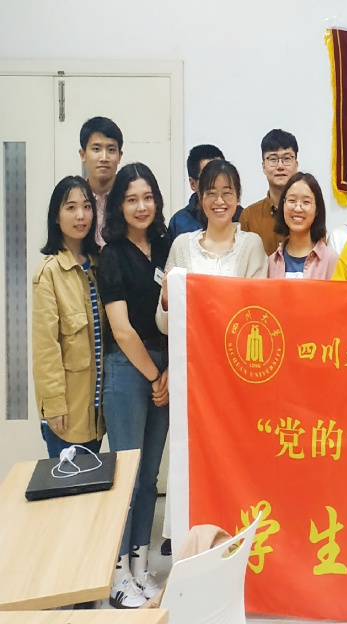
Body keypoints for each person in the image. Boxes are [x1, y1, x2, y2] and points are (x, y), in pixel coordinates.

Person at [98, 164, 171, 608]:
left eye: (147, 197)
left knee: (148, 478)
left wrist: (168, 372)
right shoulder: (112, 254)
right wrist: (154, 376)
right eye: (131, 199)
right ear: (119, 206)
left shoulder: (165, 246)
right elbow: (122, 330)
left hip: (163, 366)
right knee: (125, 476)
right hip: (129, 369)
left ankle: (140, 566)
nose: (141, 206)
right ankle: (116, 574)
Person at [32, 176, 105, 459]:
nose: (80, 216)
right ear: (56, 216)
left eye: (86, 207)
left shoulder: (98, 264)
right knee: (67, 484)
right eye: (71, 207)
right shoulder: (49, 272)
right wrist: (53, 404)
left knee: (97, 482)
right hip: (66, 412)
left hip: (96, 412)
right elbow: (45, 348)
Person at [157, 160, 268, 332]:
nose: (219, 201)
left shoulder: (251, 245)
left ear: (238, 197)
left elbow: (257, 312)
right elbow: (164, 327)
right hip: (192, 347)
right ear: (200, 198)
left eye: (227, 193)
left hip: (235, 345)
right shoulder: (182, 245)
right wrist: (166, 298)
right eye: (211, 193)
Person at [165, 144, 242, 243]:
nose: (214, 180)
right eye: (206, 176)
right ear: (193, 184)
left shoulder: (243, 217)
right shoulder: (179, 222)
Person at [240, 129, 299, 255]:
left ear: (296, 164)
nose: (280, 166)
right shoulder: (249, 217)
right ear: (263, 166)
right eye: (273, 159)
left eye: (286, 158)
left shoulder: (308, 212)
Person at [269, 172, 338, 279]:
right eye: (292, 200)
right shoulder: (271, 263)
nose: (297, 208)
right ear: (283, 206)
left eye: (306, 202)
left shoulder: (332, 261)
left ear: (316, 210)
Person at [79, 116, 123, 247]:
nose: (104, 158)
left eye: (111, 150)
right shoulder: (75, 199)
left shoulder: (129, 197)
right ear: (83, 154)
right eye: (96, 149)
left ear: (120, 156)